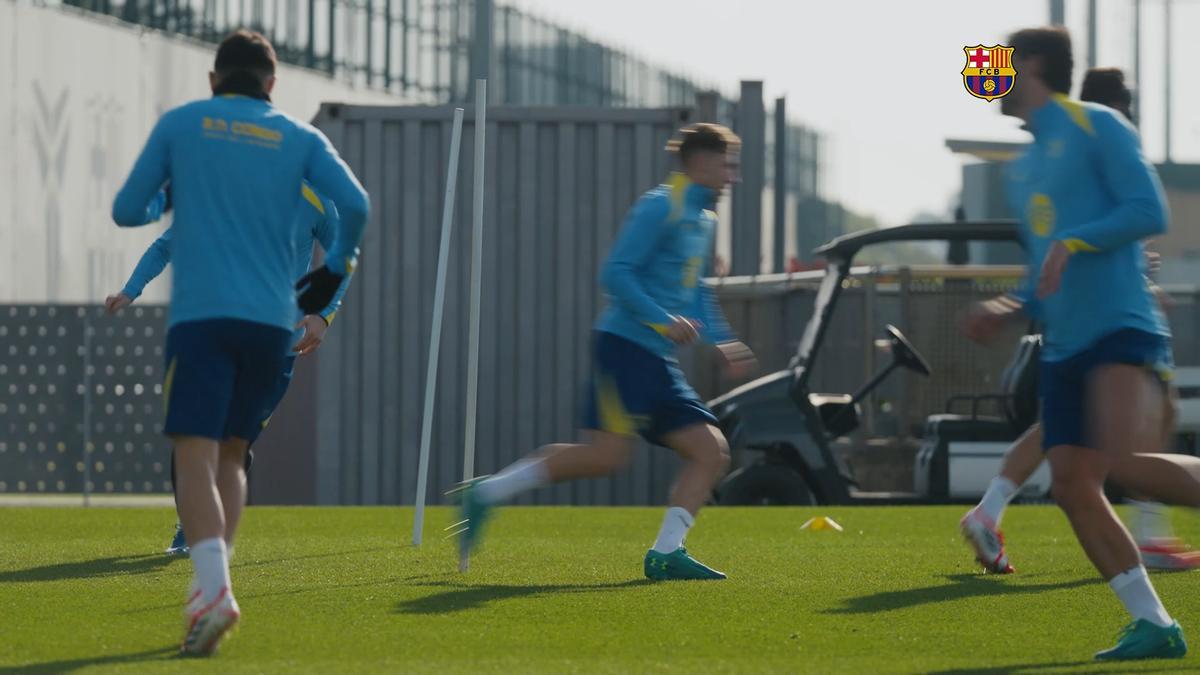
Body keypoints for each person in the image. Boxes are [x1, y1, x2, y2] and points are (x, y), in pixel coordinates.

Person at [111, 29, 368, 656]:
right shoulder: (302, 140)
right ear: (273, 86)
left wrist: (166, 198)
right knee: (233, 456)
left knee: (194, 455)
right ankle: (209, 593)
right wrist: (327, 289)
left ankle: (215, 589)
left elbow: (127, 211)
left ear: (212, 80)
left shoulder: (184, 126)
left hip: (203, 320)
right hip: (273, 329)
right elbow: (355, 206)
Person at [963, 27, 1195, 660]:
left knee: (1124, 464)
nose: (990, 74)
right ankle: (1154, 624)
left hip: (1119, 326)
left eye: (1002, 63)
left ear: (1032, 65)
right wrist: (1010, 306)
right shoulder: (1025, 167)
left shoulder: (1100, 125)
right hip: (1063, 346)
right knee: (1072, 485)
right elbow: (1043, 269)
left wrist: (1076, 240)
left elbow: (1150, 210)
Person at [452, 123, 757, 580]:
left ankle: (666, 554)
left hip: (657, 359)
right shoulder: (660, 206)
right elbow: (615, 274)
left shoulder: (704, 220)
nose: (732, 177)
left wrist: (723, 341)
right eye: (725, 165)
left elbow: (696, 290)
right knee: (608, 457)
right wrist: (662, 320)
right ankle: (488, 493)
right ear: (699, 163)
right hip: (624, 348)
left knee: (711, 451)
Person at [105, 183, 355, 556]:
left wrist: (324, 313)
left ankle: (210, 528)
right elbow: (165, 245)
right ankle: (192, 529)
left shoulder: (314, 197)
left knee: (231, 445)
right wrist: (131, 290)